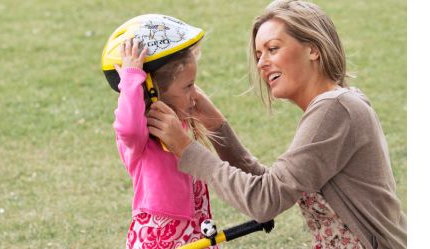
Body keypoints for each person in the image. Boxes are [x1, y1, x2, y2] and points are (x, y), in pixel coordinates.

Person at [146, 1, 407, 248]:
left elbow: (264, 200)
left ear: (313, 49)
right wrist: (215, 126)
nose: (261, 63)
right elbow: (275, 185)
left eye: (273, 49)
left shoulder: (334, 110)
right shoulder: (336, 105)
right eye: (259, 54)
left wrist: (185, 148)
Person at [101, 14, 218, 248]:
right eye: (188, 86)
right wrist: (132, 79)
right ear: (153, 91)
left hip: (194, 225)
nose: (194, 93)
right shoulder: (141, 135)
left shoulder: (179, 121)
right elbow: (128, 127)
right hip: (159, 233)